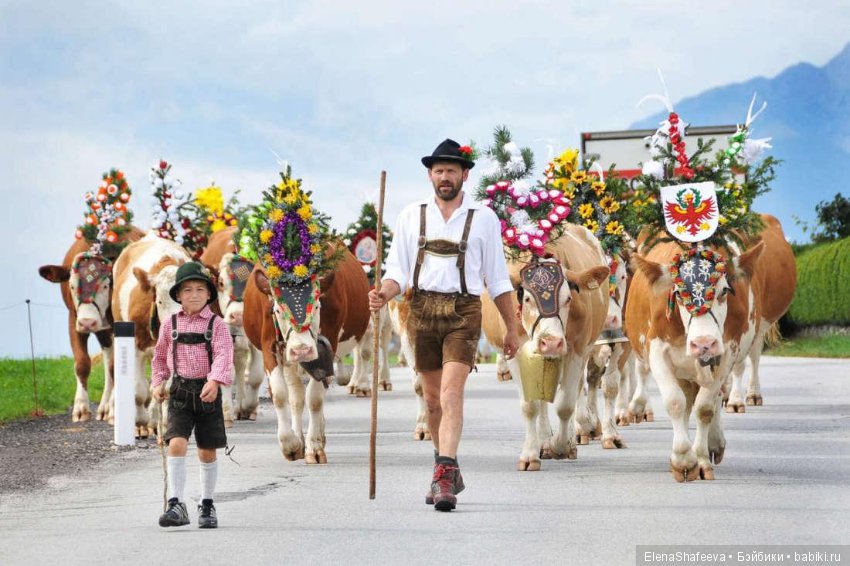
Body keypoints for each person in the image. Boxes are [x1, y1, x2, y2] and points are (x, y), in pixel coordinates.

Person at [369, 138, 519, 512]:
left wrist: (512, 327)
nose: (445, 177)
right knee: (432, 400)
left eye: (452, 170)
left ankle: (443, 472)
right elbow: (397, 273)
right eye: (439, 171)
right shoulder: (411, 216)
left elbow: (498, 280)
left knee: (452, 394)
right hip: (420, 311)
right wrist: (384, 294)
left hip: (464, 312)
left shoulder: (483, 217)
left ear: (464, 174)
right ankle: (445, 466)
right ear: (430, 175)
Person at [152, 261, 234, 528]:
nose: (194, 295)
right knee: (176, 443)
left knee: (206, 450)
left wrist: (215, 380)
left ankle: (207, 504)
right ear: (177, 295)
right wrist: (157, 382)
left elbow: (224, 354)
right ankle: (176, 504)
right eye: (187, 290)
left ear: (210, 294)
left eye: (200, 289)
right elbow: (160, 357)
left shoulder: (217, 324)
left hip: (207, 392)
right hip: (179, 393)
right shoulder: (170, 324)